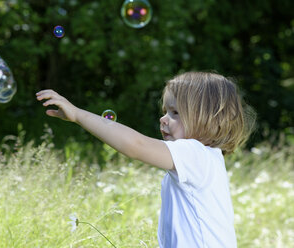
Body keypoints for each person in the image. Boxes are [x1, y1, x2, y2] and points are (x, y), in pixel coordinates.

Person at [36, 71, 256, 248]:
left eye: (175, 113)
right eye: (165, 111)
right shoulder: (205, 159)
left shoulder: (195, 154)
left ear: (209, 118)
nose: (164, 118)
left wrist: (78, 115)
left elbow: (135, 145)